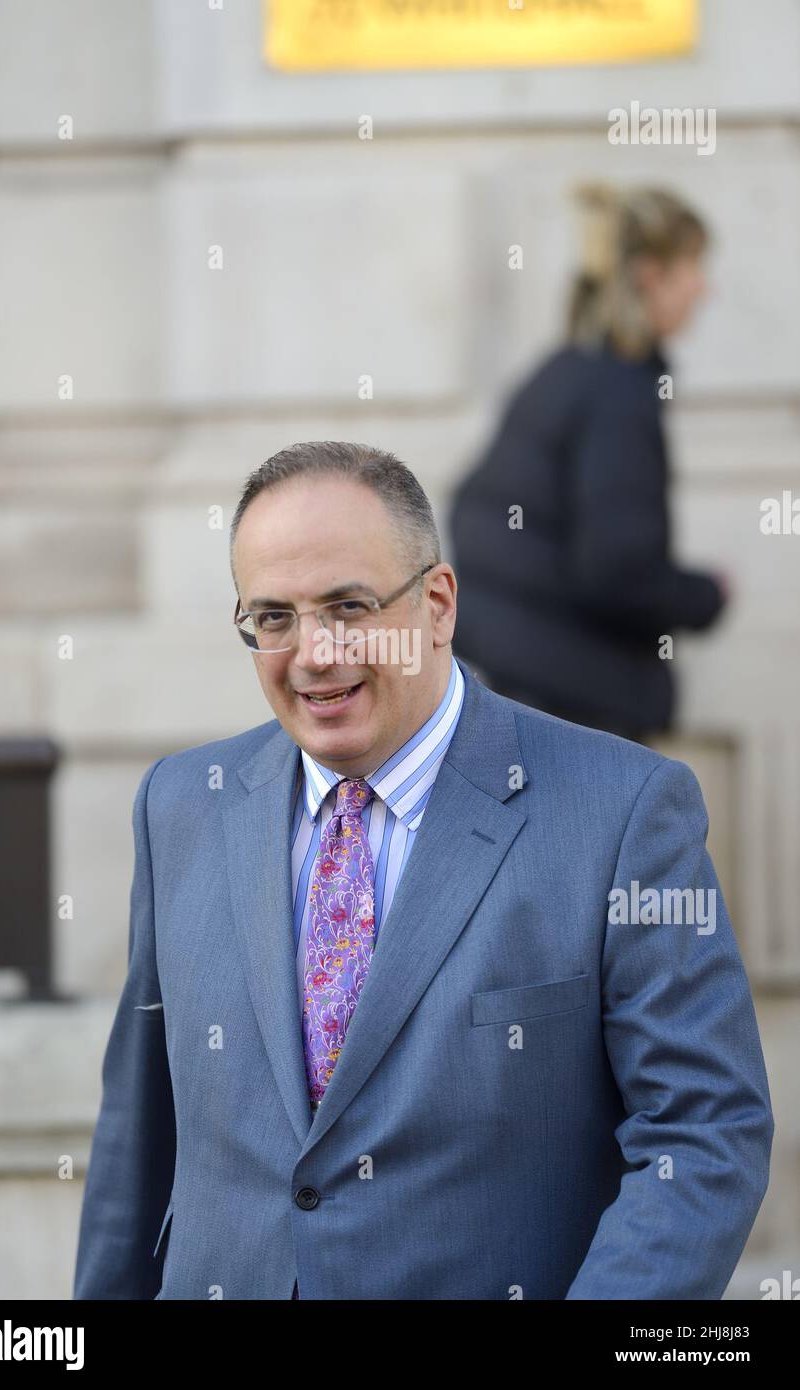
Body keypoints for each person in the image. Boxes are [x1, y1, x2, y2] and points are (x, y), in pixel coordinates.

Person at [73, 441, 771, 1301]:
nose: (313, 654)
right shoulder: (179, 804)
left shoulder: (624, 813)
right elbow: (138, 1144)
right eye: (274, 618)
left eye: (348, 607)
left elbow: (701, 1133)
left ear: (436, 605)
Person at [449, 184, 730, 742]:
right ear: (650, 276)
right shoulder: (619, 392)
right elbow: (619, 570)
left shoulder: (565, 372)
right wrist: (707, 595)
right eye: (692, 267)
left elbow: (475, 513)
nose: (704, 288)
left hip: (522, 691)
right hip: (581, 714)